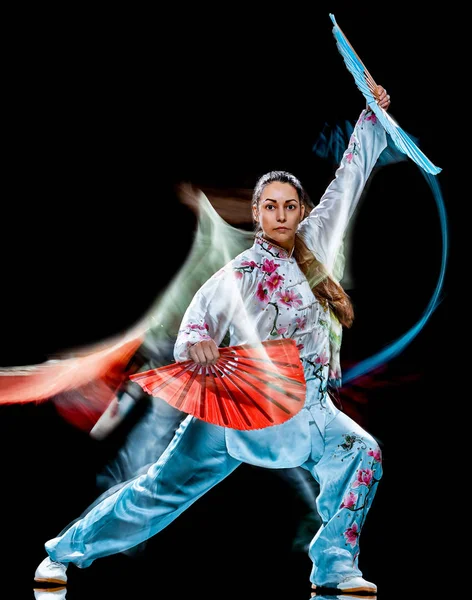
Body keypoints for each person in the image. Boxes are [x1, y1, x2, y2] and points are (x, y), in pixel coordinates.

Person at [34, 86, 391, 596]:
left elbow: (350, 176)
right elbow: (195, 330)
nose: (283, 215)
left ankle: (335, 566)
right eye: (271, 207)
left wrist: (372, 115)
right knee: (156, 491)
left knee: (363, 453)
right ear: (259, 213)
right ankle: (62, 554)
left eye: (291, 206)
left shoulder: (320, 237)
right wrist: (198, 348)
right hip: (238, 408)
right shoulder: (238, 273)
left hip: (308, 409)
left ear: (301, 210)